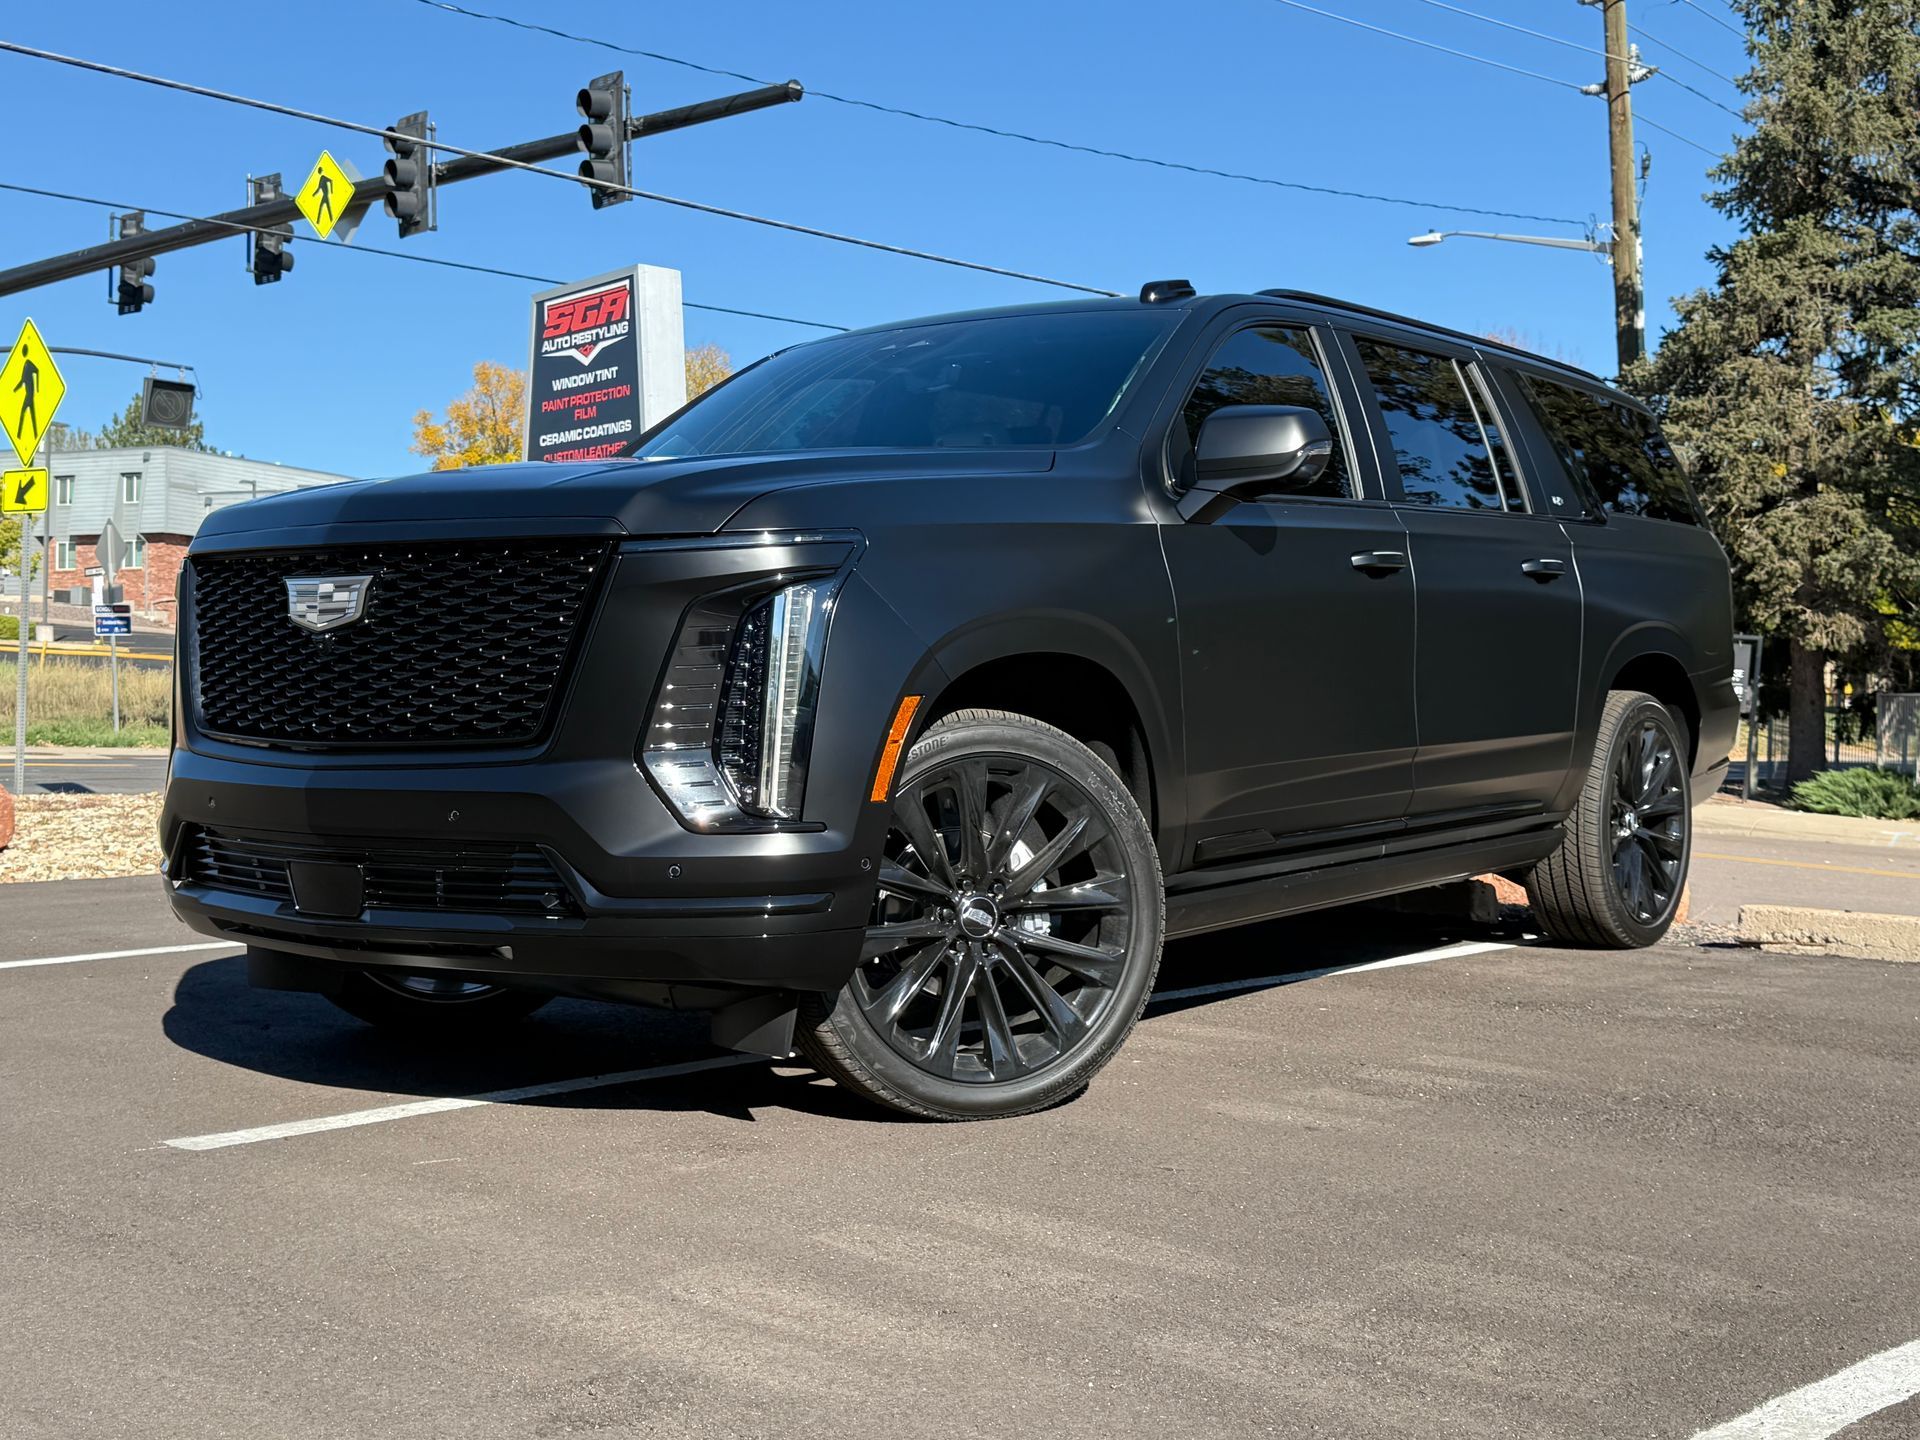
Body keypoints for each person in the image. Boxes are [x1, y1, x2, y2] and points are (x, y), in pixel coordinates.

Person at [13, 343, 38, 446]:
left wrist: (38, 387)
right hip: (28, 395)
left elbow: (37, 370)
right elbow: (22, 381)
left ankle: (20, 434)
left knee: (24, 413)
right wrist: (14, 390)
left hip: (30, 395)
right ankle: (33, 434)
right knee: (31, 416)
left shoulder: (29, 364)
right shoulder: (25, 366)